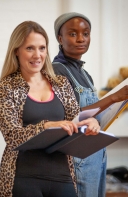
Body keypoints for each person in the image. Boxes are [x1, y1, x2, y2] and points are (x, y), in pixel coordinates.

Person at [0, 20, 100, 197]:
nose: (37, 55)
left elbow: (73, 122)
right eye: (30, 48)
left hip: (63, 176)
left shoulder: (61, 83)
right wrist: (45, 126)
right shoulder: (6, 87)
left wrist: (89, 122)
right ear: (16, 51)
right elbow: (12, 137)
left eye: (42, 48)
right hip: (23, 178)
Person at [52, 12, 128, 197]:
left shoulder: (85, 73)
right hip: (79, 158)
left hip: (96, 154)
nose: (81, 39)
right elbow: (71, 118)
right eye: (73, 34)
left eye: (85, 34)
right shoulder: (57, 71)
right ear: (60, 38)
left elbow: (94, 115)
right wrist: (113, 98)